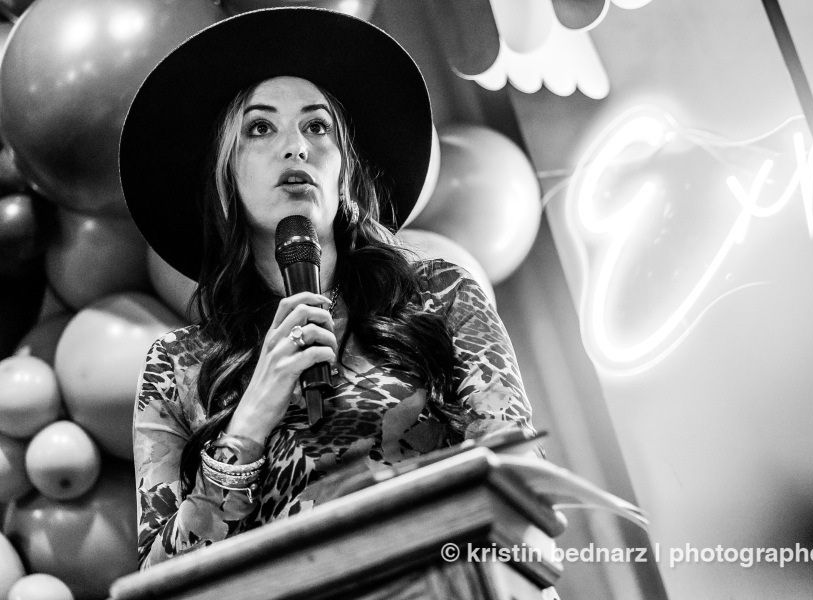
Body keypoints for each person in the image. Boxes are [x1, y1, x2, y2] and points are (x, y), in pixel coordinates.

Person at [122, 7, 541, 572]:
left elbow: (517, 472)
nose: (296, 147)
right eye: (260, 128)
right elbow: (161, 579)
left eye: (317, 127)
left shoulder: (438, 296)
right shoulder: (178, 366)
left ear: (345, 172)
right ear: (226, 175)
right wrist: (248, 424)